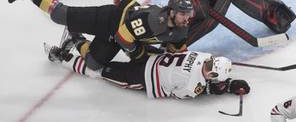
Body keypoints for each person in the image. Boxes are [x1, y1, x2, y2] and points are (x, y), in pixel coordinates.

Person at [3, 0, 194, 71]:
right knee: (60, 15)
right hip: (111, 19)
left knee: (94, 63)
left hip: (122, 33)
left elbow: (177, 50)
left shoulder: (181, 29)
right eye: (183, 14)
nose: (187, 19)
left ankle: (73, 36)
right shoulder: (152, 20)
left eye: (189, 14)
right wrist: (142, 55)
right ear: (172, 12)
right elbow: (123, 37)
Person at [46, 43, 250, 99]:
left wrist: (227, 83)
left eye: (211, 70)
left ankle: (78, 44)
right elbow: (181, 94)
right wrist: (219, 87)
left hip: (149, 58)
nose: (208, 67)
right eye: (210, 67)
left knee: (105, 60)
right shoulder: (193, 86)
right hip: (143, 79)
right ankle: (63, 57)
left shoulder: (205, 56)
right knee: (98, 71)